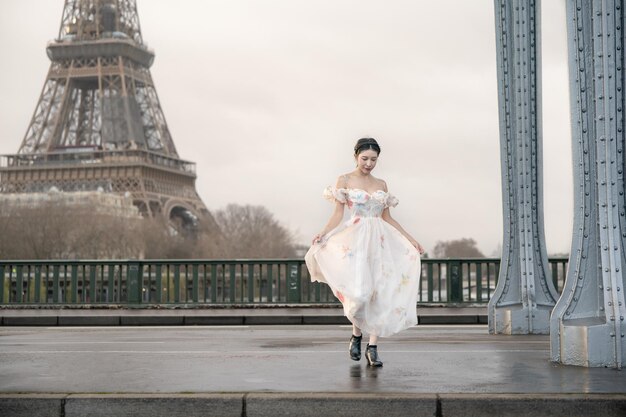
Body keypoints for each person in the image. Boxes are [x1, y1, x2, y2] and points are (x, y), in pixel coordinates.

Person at [305, 137, 425, 367]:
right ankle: (356, 335)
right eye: (365, 159)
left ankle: (373, 347)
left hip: (380, 242)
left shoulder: (382, 184)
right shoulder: (345, 179)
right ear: (355, 156)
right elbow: (338, 215)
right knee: (360, 293)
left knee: (379, 292)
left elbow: (387, 217)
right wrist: (323, 233)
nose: (369, 163)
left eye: (373, 159)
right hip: (356, 240)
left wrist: (411, 240)